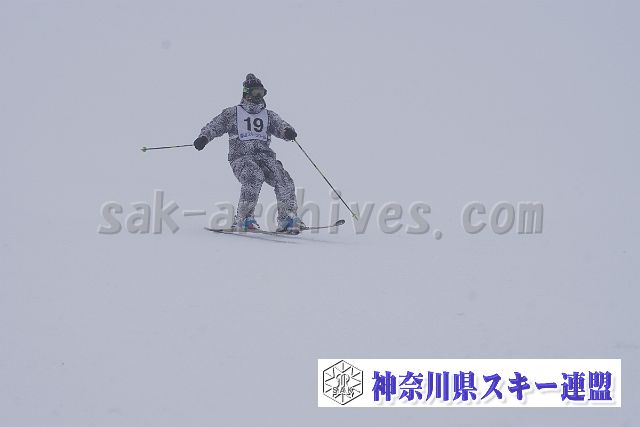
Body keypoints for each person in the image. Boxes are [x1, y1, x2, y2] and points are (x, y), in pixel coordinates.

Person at [193, 74, 305, 233]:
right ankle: (244, 218)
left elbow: (281, 125)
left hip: (264, 156)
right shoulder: (233, 113)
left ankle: (287, 218)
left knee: (283, 178)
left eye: (262, 93)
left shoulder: (268, 115)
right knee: (254, 176)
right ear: (246, 93)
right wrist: (204, 138)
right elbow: (215, 126)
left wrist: (287, 131)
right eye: (255, 92)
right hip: (241, 157)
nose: (259, 97)